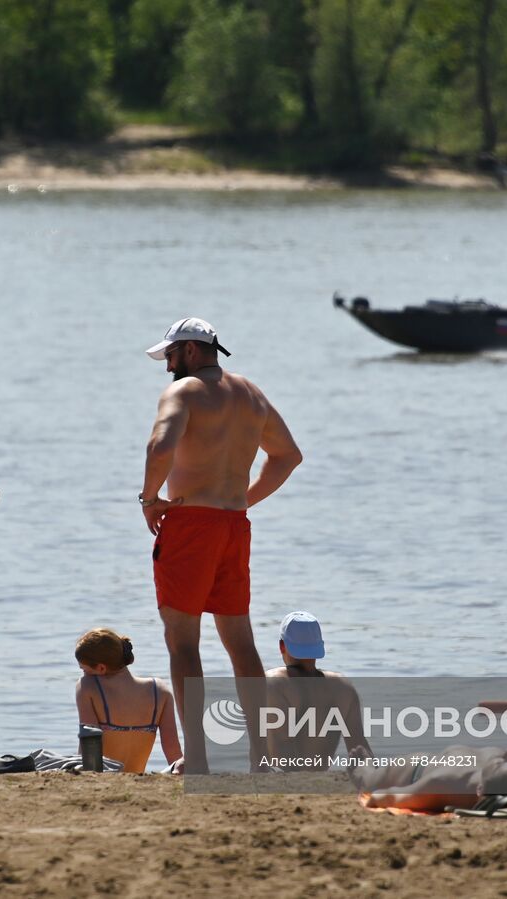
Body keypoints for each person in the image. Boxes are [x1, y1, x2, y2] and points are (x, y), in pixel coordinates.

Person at [141, 317, 303, 774]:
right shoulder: (250, 394)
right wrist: (242, 500)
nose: (167, 366)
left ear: (191, 351)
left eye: (169, 356)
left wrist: (150, 499)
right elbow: (288, 456)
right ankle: (262, 755)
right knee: (241, 643)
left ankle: (197, 757)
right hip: (234, 525)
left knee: (183, 643)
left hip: (190, 524)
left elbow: (160, 447)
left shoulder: (184, 391)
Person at [263, 611, 371, 768]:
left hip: (284, 781)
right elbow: (361, 751)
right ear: (319, 646)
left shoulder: (274, 683)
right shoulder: (343, 687)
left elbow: (282, 752)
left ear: (282, 646)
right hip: (319, 776)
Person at [75, 627, 184, 773]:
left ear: (101, 668)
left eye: (84, 669)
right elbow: (174, 754)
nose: (84, 674)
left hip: (102, 778)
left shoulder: (87, 687)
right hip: (138, 776)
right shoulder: (159, 690)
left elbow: (89, 749)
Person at [359, 741, 507, 816]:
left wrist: (376, 796)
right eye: (506, 758)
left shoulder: (446, 784)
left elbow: (386, 797)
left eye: (497, 763)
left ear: (479, 791)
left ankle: (362, 768)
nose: (506, 754)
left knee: (369, 782)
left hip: (423, 767)